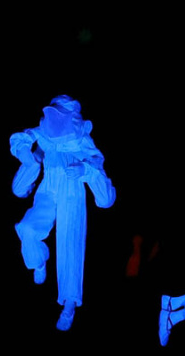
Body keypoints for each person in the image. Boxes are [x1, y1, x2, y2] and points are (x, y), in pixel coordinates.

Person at [10, 95, 115, 331]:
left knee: (70, 243)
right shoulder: (44, 133)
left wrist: (84, 169)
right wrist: (28, 156)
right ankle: (38, 260)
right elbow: (21, 138)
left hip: (72, 192)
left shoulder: (81, 138)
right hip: (48, 188)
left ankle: (69, 303)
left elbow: (97, 163)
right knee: (27, 228)